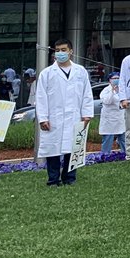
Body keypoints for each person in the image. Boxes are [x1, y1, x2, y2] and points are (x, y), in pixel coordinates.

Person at [35, 39, 94, 187]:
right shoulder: (47, 73)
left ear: (70, 51)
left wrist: (87, 114)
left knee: (73, 147)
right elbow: (41, 97)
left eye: (63, 50)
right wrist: (43, 118)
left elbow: (87, 94)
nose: (60, 53)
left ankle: (69, 178)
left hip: (75, 116)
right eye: (57, 50)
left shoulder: (80, 71)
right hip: (53, 117)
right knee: (53, 148)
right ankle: (53, 179)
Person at [98, 72, 127, 156]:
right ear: (109, 80)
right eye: (114, 78)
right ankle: (105, 155)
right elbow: (107, 101)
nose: (116, 80)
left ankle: (126, 153)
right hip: (109, 118)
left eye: (117, 78)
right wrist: (112, 91)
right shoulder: (105, 90)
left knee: (123, 137)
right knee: (108, 138)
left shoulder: (122, 89)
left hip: (120, 117)